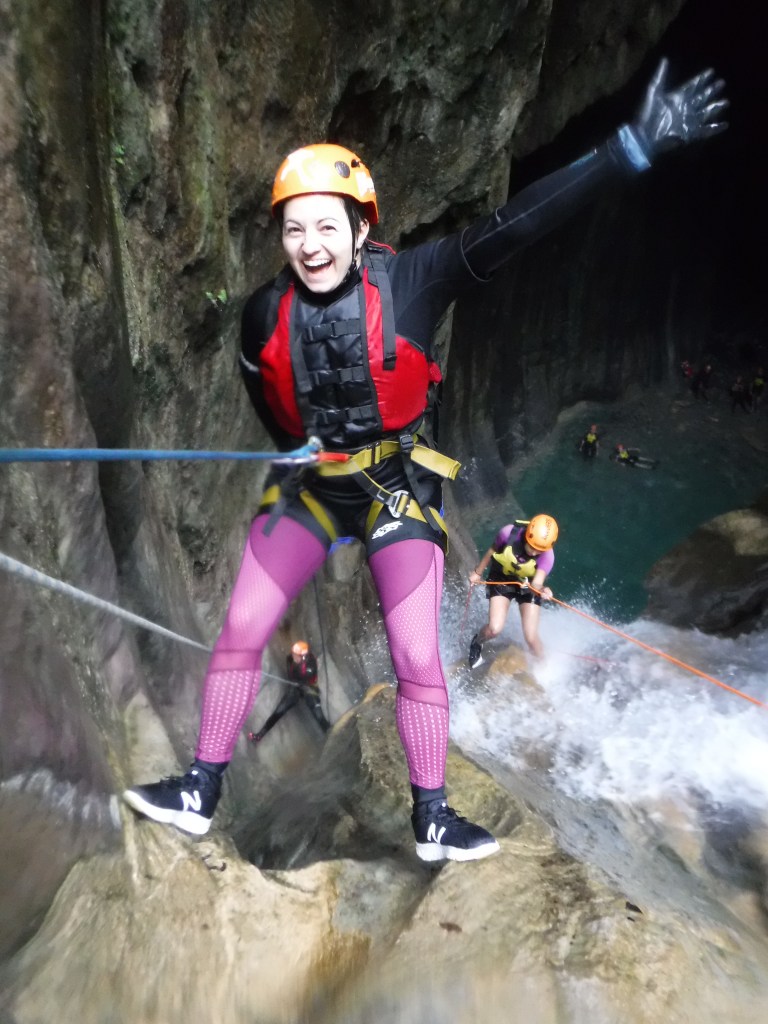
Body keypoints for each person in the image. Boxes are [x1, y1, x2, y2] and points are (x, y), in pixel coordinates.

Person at [123, 59, 727, 863]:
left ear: (362, 228)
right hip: (313, 484)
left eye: (326, 225)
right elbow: (271, 404)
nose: (308, 244)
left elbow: (512, 228)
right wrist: (300, 459)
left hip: (395, 489)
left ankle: (432, 814)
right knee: (240, 630)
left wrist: (626, 151)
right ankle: (200, 788)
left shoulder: (414, 281)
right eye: (293, 227)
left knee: (416, 655)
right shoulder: (262, 314)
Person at [468, 515, 557, 665]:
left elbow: (536, 583)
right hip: (502, 578)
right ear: (528, 535)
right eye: (532, 547)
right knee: (494, 629)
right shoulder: (508, 533)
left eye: (539, 550)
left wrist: (543, 590)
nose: (534, 553)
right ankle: (477, 642)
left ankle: (544, 665)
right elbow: (492, 550)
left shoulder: (548, 556)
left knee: (531, 638)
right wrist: (477, 573)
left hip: (528, 585)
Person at [248, 641, 330, 742]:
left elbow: (309, 676)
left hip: (309, 688)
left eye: (296, 655)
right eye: (293, 654)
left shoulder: (310, 664)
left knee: (318, 715)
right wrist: (292, 681)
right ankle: (259, 735)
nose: (293, 656)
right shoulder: (291, 658)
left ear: (303, 656)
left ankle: (329, 732)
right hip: (295, 688)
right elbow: (290, 667)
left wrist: (300, 683)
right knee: (278, 711)